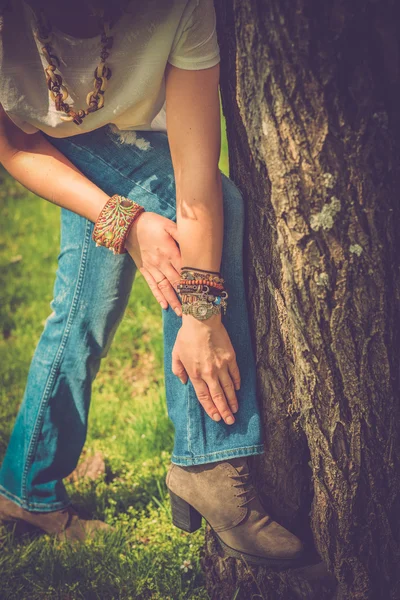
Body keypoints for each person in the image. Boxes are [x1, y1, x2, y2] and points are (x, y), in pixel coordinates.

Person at [0, 0, 304, 567]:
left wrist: (200, 315)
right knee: (111, 281)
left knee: (81, 312)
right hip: (44, 142)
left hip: (138, 134)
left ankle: (26, 488)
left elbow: (194, 177)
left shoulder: (181, 7)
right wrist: (128, 223)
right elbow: (14, 144)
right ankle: (208, 461)